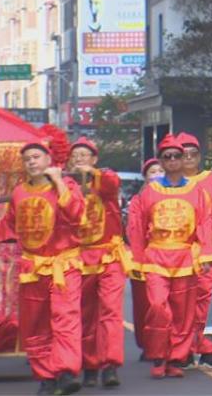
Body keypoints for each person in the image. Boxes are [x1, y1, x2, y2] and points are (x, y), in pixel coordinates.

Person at [0, 140, 86, 395]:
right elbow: (8, 225)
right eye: (27, 159)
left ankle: (66, 372)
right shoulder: (20, 192)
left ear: (49, 160)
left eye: (36, 157)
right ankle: (47, 376)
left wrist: (59, 182)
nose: (31, 162)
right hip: (32, 268)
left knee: (65, 320)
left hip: (63, 266)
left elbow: (77, 216)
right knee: (36, 325)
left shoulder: (67, 187)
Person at [126, 135, 212, 379]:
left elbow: (204, 224)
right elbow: (137, 226)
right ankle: (158, 355)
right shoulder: (150, 192)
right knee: (157, 307)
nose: (174, 160)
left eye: (177, 156)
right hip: (156, 258)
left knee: (183, 313)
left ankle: (176, 358)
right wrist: (137, 259)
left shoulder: (196, 191)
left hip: (185, 259)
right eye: (167, 156)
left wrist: (207, 255)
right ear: (162, 161)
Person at [68, 136, 129, 388]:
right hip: (79, 258)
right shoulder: (66, 185)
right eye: (76, 155)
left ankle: (110, 364)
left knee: (111, 312)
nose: (80, 159)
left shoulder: (105, 179)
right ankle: (90, 365)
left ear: (94, 159)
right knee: (85, 315)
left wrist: (91, 173)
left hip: (108, 257)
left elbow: (111, 185)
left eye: (85, 155)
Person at [177, 132, 212, 369]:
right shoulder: (169, 184)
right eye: (183, 154)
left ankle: (208, 352)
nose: (188, 158)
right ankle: (183, 352)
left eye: (193, 153)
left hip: (210, 251)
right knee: (181, 303)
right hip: (178, 254)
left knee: (209, 303)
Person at [129, 158, 163, 360]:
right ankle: (148, 345)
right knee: (145, 306)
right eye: (153, 171)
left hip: (171, 259)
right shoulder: (138, 201)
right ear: (145, 177)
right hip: (145, 259)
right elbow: (135, 232)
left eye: (160, 170)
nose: (157, 174)